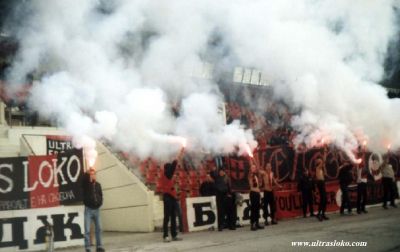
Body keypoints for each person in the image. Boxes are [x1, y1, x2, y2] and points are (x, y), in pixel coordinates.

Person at [162, 148, 185, 242]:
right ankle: (165, 235)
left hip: (172, 198)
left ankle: (174, 235)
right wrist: (179, 155)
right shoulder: (167, 174)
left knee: (173, 217)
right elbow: (173, 166)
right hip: (168, 198)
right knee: (167, 217)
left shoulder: (169, 176)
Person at [82, 168, 104, 252]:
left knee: (99, 229)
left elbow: (101, 195)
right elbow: (83, 180)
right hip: (88, 210)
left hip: (97, 210)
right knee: (87, 230)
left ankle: (99, 247)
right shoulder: (86, 184)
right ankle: (87, 248)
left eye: (93, 174)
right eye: (91, 174)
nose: (92, 175)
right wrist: (87, 173)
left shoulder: (98, 185)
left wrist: (100, 202)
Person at [248, 163, 264, 231]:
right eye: (252, 168)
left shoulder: (255, 176)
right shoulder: (250, 176)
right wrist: (257, 191)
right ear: (250, 169)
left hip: (257, 194)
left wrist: (259, 192)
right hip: (253, 193)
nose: (254, 169)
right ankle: (253, 224)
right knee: (254, 209)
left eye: (254, 167)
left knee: (257, 209)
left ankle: (257, 223)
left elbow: (258, 186)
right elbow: (251, 187)